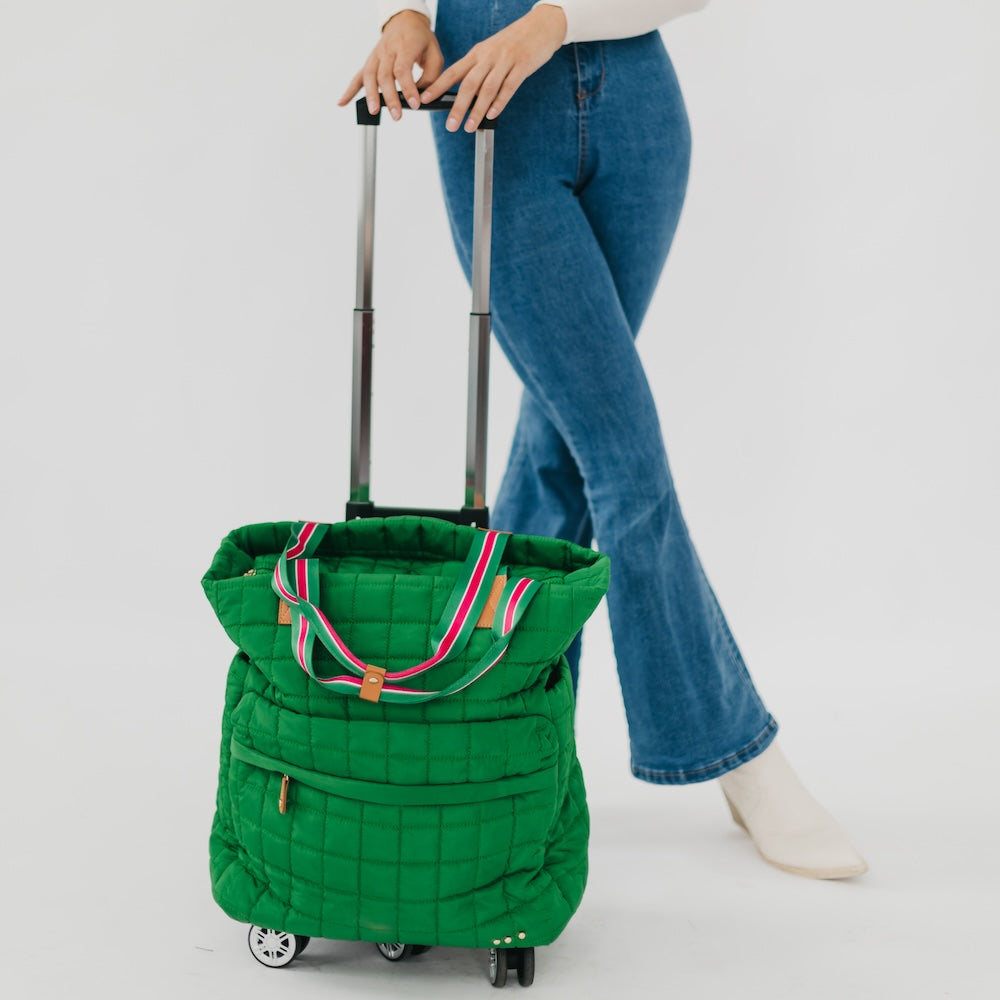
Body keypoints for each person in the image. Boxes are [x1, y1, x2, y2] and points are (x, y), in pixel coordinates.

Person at [339, 0, 867, 880]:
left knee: (563, 452)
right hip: (490, 114)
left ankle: (498, 736)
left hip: (638, 110)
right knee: (623, 459)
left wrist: (555, 20)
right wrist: (401, 14)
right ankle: (738, 752)